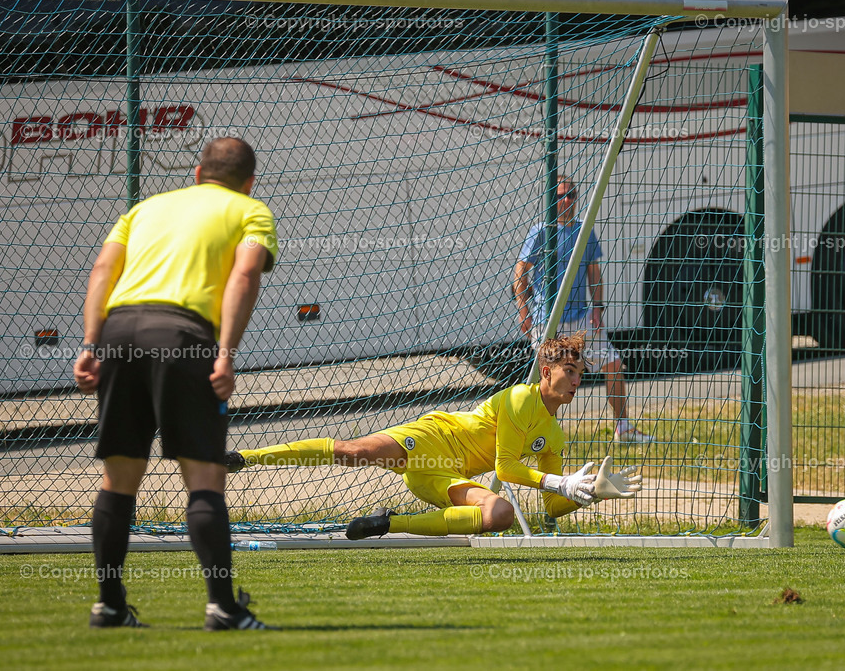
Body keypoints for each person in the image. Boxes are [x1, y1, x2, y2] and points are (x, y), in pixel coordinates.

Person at [73, 137, 278, 630]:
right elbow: (244, 275)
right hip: (184, 336)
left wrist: (90, 343)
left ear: (197, 172)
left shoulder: (144, 209)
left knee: (119, 478)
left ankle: (109, 605)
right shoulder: (251, 211)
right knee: (205, 477)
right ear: (249, 181)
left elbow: (103, 268)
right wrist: (225, 352)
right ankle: (224, 609)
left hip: (119, 333)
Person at [224, 334, 641, 538]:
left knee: (499, 516)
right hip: (431, 440)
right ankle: (246, 457)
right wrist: (557, 480)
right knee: (354, 451)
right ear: (546, 372)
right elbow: (506, 467)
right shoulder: (519, 398)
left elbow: (550, 506)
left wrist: (592, 491)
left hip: (446, 477)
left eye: (580, 374)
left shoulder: (554, 435)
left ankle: (387, 523)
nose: (576, 381)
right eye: (569, 372)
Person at [513, 176, 655, 444]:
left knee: (613, 363)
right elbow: (520, 273)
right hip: (549, 321)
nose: (568, 201)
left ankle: (623, 429)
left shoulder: (584, 230)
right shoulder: (541, 231)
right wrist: (524, 312)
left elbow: (594, 274)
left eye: (572, 195)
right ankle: (534, 435)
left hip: (581, 320)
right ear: (551, 201)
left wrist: (598, 309)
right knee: (548, 381)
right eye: (561, 196)